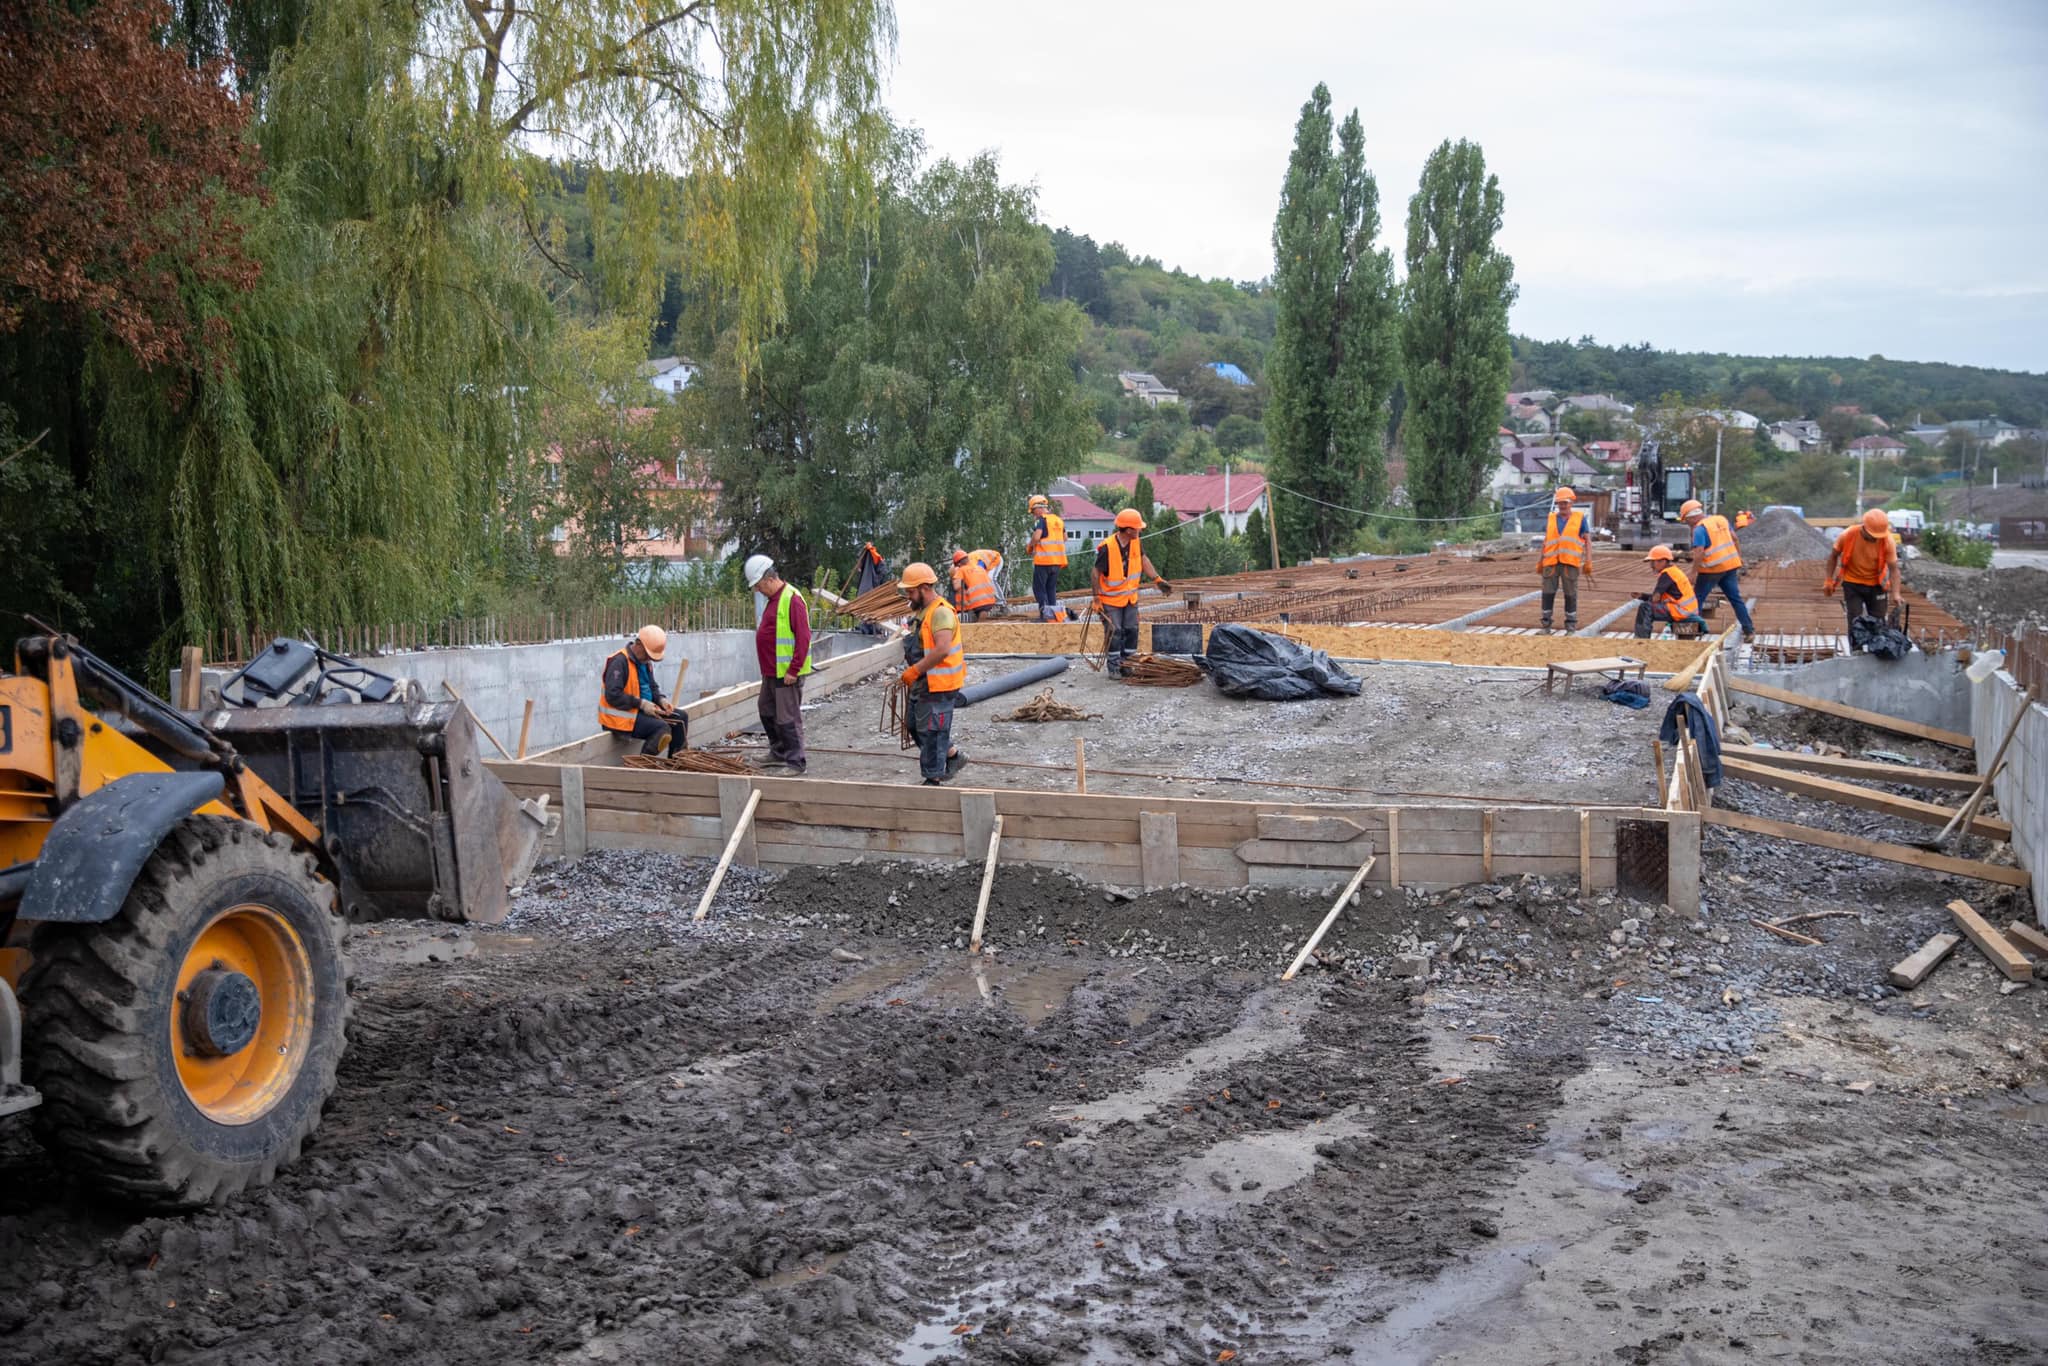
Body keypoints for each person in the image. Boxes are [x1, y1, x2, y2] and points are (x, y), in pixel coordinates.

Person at [898, 562, 967, 785]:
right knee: (914, 726)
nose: (908, 595)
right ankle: (953, 755)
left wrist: (916, 669)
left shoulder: (941, 613)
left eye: (910, 591)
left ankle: (933, 778)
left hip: (940, 683)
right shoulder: (923, 613)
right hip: (925, 681)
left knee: (932, 732)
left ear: (924, 588)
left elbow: (942, 649)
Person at [746, 553, 809, 773]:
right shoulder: (774, 600)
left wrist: (793, 669)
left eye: (759, 585)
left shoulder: (792, 599)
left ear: (769, 579)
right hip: (771, 673)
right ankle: (779, 752)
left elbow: (803, 638)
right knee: (766, 710)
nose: (758, 590)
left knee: (787, 719)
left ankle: (795, 761)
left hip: (786, 674)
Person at [1094, 507, 1172, 676]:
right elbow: (1095, 573)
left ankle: (1128, 664)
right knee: (1114, 632)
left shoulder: (1136, 542)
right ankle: (1114, 667)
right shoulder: (1107, 547)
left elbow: (1144, 560)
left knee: (1132, 630)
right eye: (1138, 527)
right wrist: (1096, 598)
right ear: (1129, 530)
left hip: (1130, 598)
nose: (1140, 529)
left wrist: (1157, 579)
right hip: (1111, 600)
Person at [599, 624, 687, 755]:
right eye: (648, 654)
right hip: (620, 718)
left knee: (681, 718)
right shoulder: (619, 662)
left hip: (638, 713)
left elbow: (652, 687)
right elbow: (613, 695)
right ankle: (642, 769)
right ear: (638, 644)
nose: (649, 659)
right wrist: (642, 704)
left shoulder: (644, 662)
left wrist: (661, 701)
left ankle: (675, 763)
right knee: (662, 729)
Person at [1824, 509, 1901, 650]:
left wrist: (1896, 593)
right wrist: (1829, 579)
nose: (1875, 539)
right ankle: (1856, 651)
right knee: (1855, 620)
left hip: (1877, 585)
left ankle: (1877, 650)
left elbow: (1894, 569)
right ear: (1864, 527)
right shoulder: (1847, 535)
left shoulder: (1887, 541)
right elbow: (1833, 556)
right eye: (1872, 535)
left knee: (1878, 622)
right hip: (1852, 583)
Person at [1679, 499, 1756, 637]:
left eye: (1687, 520)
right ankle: (1749, 630)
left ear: (1691, 517)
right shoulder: (1721, 520)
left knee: (1696, 599)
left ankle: (1694, 631)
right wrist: (1738, 557)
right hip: (1730, 567)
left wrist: (1693, 573)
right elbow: (1735, 538)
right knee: (1735, 599)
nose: (1687, 523)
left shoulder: (1700, 529)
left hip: (1711, 570)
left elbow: (1699, 553)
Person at [1538, 486, 1595, 633]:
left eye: (1565, 502)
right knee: (1547, 594)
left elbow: (1588, 541)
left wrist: (1588, 561)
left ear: (1571, 503)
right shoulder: (1551, 518)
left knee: (1570, 594)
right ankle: (1546, 626)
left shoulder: (1579, 518)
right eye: (1560, 503)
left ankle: (1570, 627)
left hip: (1570, 563)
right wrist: (1540, 561)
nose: (1562, 506)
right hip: (1550, 563)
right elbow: (1546, 541)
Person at [1632, 545, 1704, 639]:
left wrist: (1645, 599)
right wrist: (1643, 596)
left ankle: (1641, 640)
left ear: (1663, 561)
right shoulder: (1674, 571)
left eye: (1653, 562)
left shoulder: (1667, 574)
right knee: (1649, 606)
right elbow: (1661, 597)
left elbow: (1655, 599)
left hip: (1682, 611)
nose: (1651, 566)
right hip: (1688, 610)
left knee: (1645, 608)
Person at [1027, 494, 1067, 621]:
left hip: (1043, 561)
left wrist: (1030, 546)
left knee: (1039, 589)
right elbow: (1065, 538)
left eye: (1033, 511)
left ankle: (1045, 616)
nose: (1034, 515)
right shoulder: (1058, 520)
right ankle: (1053, 616)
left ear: (1038, 508)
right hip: (1057, 562)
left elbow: (1037, 536)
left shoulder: (1041, 520)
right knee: (1051, 589)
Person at [950, 549, 1000, 621]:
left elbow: (957, 586)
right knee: (982, 612)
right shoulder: (980, 568)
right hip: (990, 599)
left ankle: (977, 626)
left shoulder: (961, 570)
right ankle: (980, 626)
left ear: (958, 564)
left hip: (977, 601)